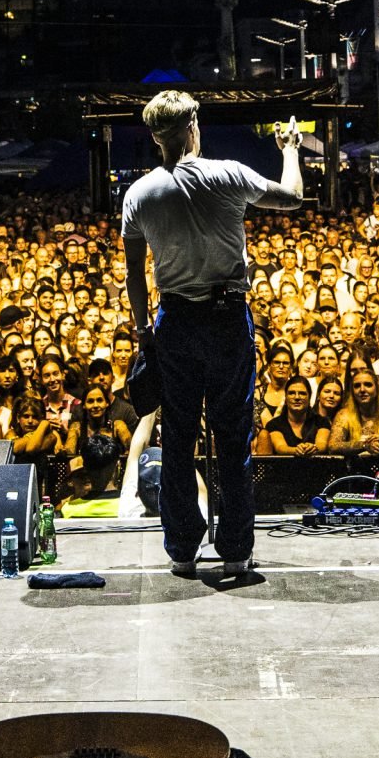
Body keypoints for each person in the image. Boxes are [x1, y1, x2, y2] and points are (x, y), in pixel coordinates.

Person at [121, 90, 302, 579]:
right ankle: (236, 550)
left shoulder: (139, 194)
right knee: (232, 437)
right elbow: (291, 199)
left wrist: (143, 330)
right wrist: (289, 150)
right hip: (226, 318)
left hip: (175, 321)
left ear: (155, 137)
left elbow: (134, 272)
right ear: (193, 126)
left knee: (178, 439)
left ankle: (183, 549)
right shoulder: (227, 174)